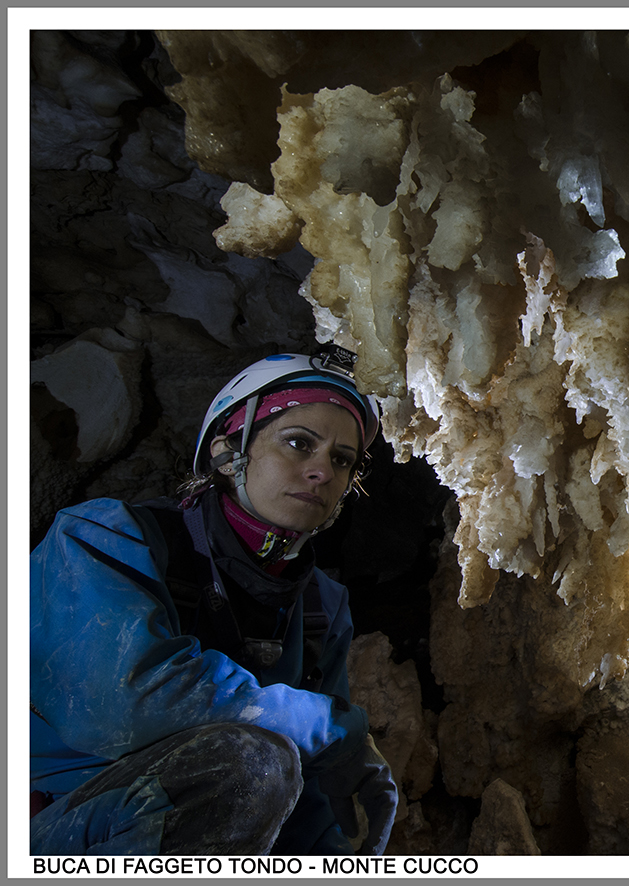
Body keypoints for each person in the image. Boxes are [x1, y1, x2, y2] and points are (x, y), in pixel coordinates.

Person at [30, 346, 399, 856]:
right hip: (68, 823)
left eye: (342, 460)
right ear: (227, 454)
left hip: (221, 822)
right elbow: (125, 702)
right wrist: (332, 727)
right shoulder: (103, 539)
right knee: (250, 762)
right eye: (298, 443)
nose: (322, 472)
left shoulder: (320, 606)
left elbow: (310, 789)